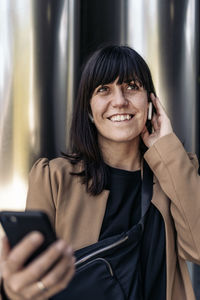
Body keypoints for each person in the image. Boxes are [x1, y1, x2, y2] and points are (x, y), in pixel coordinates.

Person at [0, 45, 200, 300]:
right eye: (103, 89)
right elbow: (31, 278)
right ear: (89, 110)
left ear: (151, 102)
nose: (119, 100)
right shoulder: (53, 178)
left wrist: (167, 150)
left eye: (132, 86)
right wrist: (11, 290)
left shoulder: (176, 170)